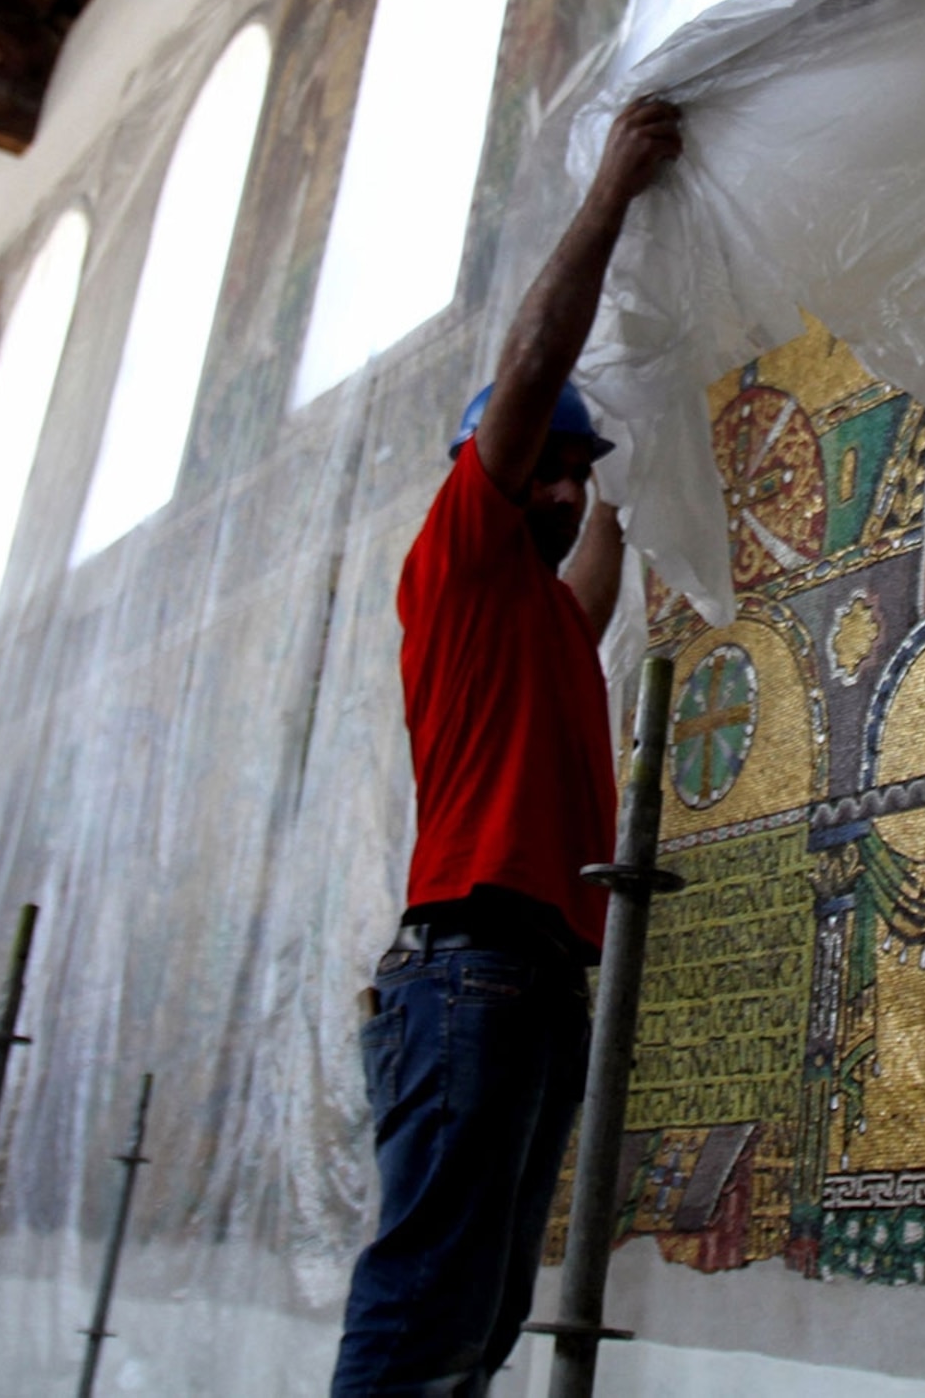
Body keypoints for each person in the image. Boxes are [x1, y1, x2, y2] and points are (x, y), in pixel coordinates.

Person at [332, 96, 683, 1398]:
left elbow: (603, 559)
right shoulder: (462, 558)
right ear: (491, 467)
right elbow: (533, 368)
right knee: (425, 1305)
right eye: (544, 465)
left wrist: (651, 437)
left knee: (474, 1328)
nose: (560, 486)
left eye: (572, 476)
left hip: (527, 984)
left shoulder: (540, 617)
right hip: (470, 973)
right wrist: (609, 203)